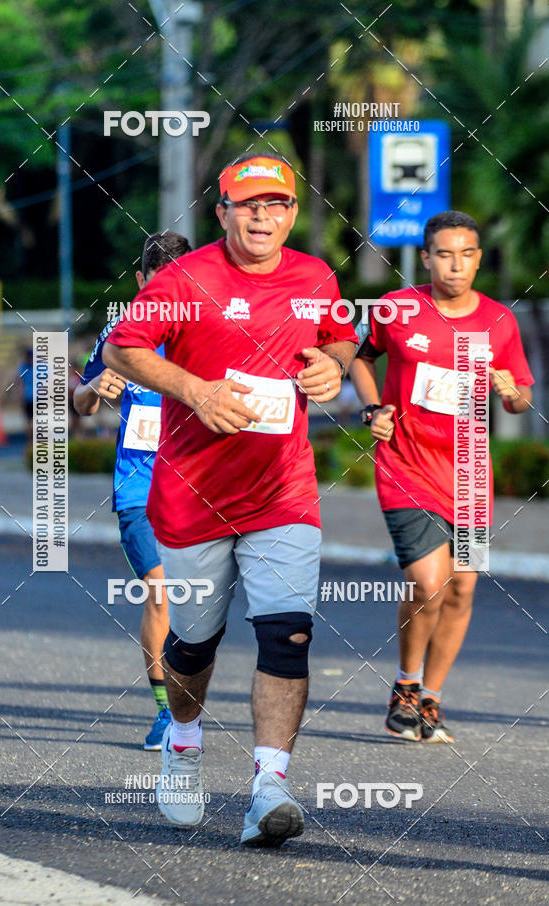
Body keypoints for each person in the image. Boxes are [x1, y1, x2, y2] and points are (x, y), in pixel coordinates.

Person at [103, 152, 358, 845]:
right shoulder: (185, 279)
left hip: (283, 491)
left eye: (276, 205)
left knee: (288, 634)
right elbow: (123, 350)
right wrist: (197, 391)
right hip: (192, 498)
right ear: (221, 213)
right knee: (194, 643)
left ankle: (268, 787)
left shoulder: (314, 276)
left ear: (293, 215)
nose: (262, 216)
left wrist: (331, 369)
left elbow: (339, 337)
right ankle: (183, 742)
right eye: (247, 205)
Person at [350, 210, 534, 743]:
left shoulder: (500, 321)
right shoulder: (397, 309)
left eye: (468, 254)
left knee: (462, 590)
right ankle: (406, 685)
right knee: (428, 584)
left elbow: (521, 395)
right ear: (426, 258)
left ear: (479, 258)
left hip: (472, 475)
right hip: (406, 465)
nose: (456, 266)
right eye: (445, 255)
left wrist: (509, 394)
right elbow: (359, 358)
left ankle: (431, 698)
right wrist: (372, 408)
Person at [73, 231, 192, 750]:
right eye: (158, 281)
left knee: (198, 604)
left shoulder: (207, 330)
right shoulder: (120, 333)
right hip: (138, 490)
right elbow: (79, 402)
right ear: (141, 281)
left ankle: (190, 702)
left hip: (198, 490)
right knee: (162, 592)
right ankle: (167, 712)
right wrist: (94, 390)